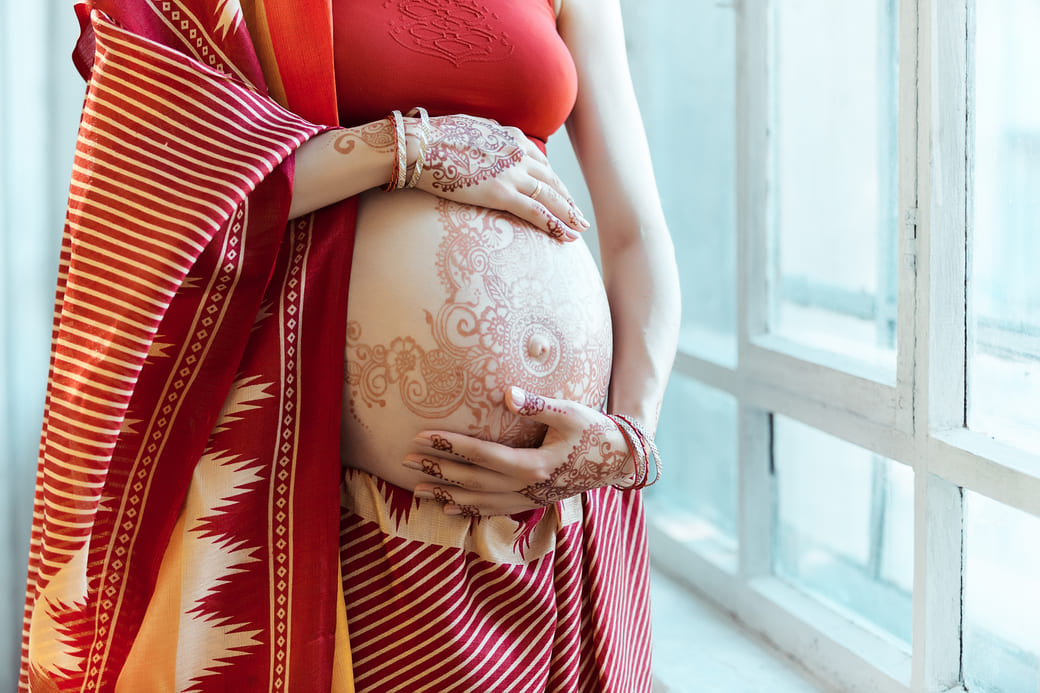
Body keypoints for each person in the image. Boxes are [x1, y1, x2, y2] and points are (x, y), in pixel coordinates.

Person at [22, 0, 679, 691]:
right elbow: (154, 180)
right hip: (335, 520)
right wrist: (401, 149)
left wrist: (629, 439)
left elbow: (638, 233)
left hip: (556, 516)